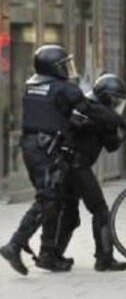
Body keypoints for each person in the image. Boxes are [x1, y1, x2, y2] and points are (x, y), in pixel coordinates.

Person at [0, 45, 86, 275]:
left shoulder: (32, 84)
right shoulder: (63, 88)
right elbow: (86, 107)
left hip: (33, 147)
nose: (67, 69)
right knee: (48, 198)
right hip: (46, 148)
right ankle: (15, 244)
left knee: (55, 199)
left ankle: (48, 255)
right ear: (53, 67)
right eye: (63, 65)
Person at [40, 73, 126, 272]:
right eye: (114, 99)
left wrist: (123, 129)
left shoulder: (94, 110)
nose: (116, 104)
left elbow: (111, 144)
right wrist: (123, 126)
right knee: (100, 210)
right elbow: (108, 137)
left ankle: (52, 255)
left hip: (66, 166)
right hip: (77, 167)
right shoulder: (93, 110)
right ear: (105, 96)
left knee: (69, 214)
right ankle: (104, 258)